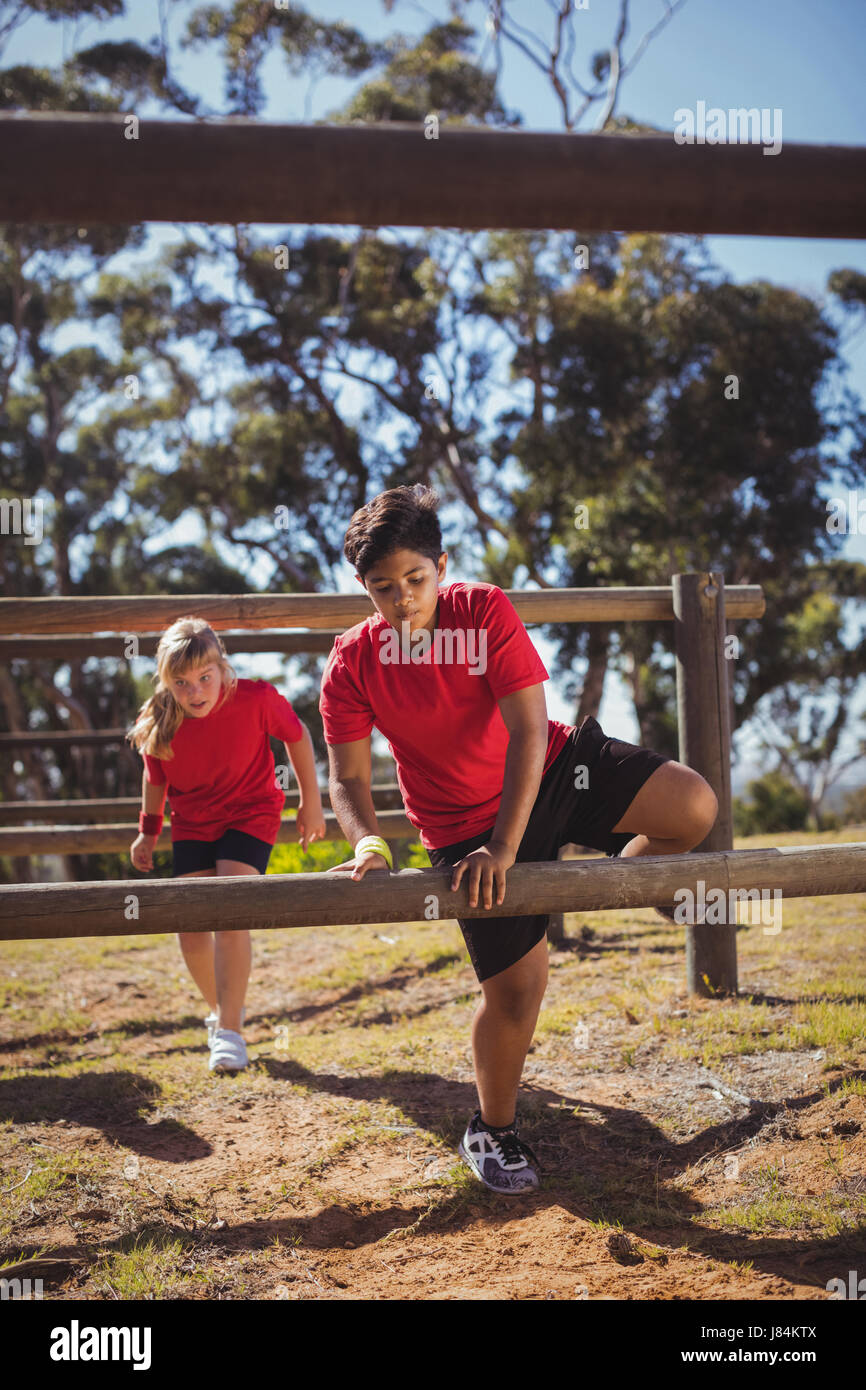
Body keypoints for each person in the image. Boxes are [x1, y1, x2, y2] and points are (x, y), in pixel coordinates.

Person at [319, 485, 718, 1194]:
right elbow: (347, 780)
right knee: (517, 994)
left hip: (554, 771)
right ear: (362, 588)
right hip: (458, 828)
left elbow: (530, 730)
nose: (405, 599)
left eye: (416, 579)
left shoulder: (483, 609)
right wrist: (368, 844)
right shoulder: (351, 664)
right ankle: (492, 1130)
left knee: (693, 807)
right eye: (384, 588)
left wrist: (510, 847)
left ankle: (625, 884)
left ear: (442, 566)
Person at [128, 616, 326, 1072]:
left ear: (222, 668)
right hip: (193, 821)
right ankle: (222, 1013)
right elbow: (154, 774)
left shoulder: (256, 698)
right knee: (192, 928)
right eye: (181, 682)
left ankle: (231, 1034)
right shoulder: (160, 715)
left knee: (231, 904)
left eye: (204, 678)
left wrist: (310, 803)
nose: (195, 692)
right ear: (166, 681)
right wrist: (148, 830)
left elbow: (298, 736)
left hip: (251, 812)